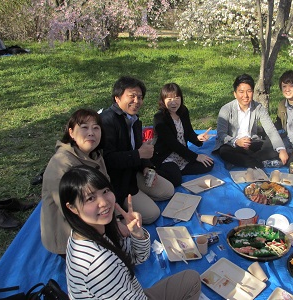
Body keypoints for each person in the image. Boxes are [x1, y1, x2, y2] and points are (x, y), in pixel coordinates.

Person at [60, 165, 201, 300]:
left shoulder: (86, 231)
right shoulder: (98, 264)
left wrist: (137, 233)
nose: (103, 202)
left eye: (105, 191)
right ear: (72, 208)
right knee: (192, 283)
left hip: (131, 293)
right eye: (90, 198)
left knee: (191, 279)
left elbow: (138, 258)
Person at [100, 76, 174, 225]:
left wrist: (146, 166)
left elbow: (140, 149)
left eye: (140, 97)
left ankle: (140, 197)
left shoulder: (134, 120)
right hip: (118, 181)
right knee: (152, 214)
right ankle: (120, 207)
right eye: (131, 96)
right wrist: (139, 154)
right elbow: (108, 160)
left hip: (133, 172)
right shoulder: (107, 121)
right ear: (117, 98)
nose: (137, 101)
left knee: (169, 190)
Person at [41, 108, 108, 255]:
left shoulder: (94, 155)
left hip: (95, 216)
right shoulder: (61, 165)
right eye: (84, 128)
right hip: (69, 236)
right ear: (71, 132)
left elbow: (106, 189)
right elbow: (72, 213)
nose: (91, 132)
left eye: (96, 128)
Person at [213, 74, 288, 169]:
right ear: (235, 94)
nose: (245, 96)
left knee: (274, 146)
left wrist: (281, 149)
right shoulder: (226, 109)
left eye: (249, 91)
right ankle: (258, 163)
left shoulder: (258, 107)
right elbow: (221, 134)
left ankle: (241, 161)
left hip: (252, 142)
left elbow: (271, 130)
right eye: (241, 92)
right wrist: (236, 141)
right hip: (232, 145)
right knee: (224, 151)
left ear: (253, 92)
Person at [152, 83, 214, 187]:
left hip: (182, 154)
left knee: (209, 164)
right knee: (176, 180)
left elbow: (189, 132)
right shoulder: (159, 118)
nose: (174, 102)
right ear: (163, 100)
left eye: (176, 98)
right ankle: (164, 170)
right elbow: (173, 144)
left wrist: (198, 138)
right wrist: (196, 156)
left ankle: (175, 170)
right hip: (166, 156)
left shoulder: (183, 111)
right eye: (169, 99)